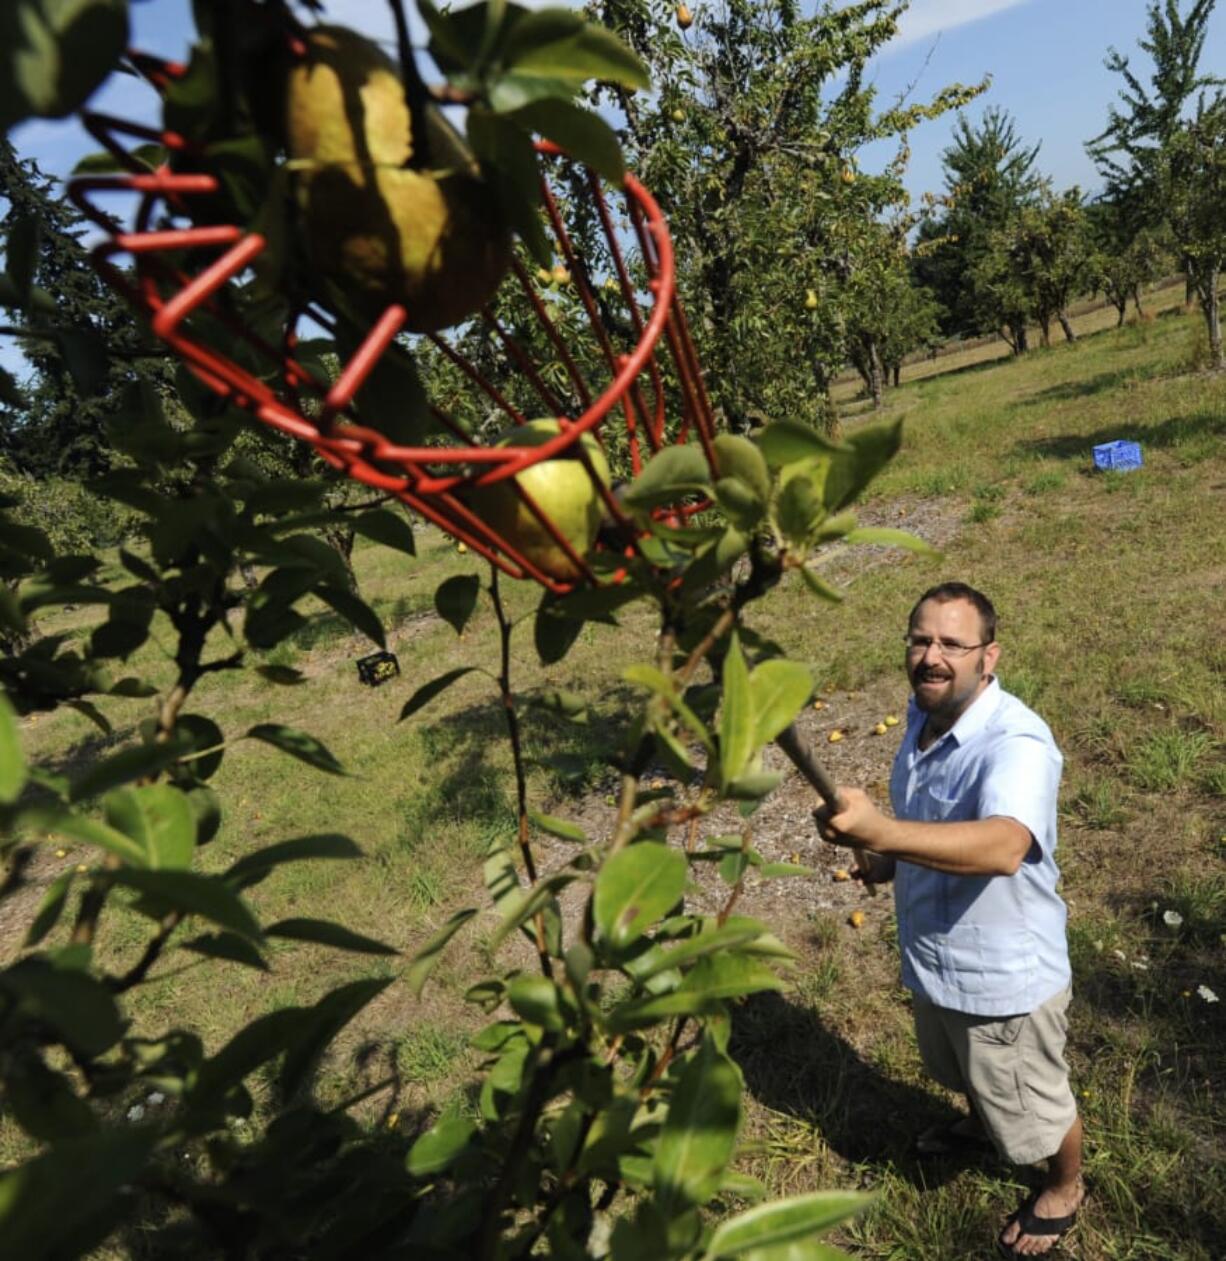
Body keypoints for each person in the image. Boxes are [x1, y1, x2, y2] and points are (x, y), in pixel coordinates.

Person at [818, 582, 1084, 1258]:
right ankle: (980, 1122)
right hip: (937, 960)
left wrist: (883, 827)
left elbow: (1002, 845)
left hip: (1002, 980)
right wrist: (885, 860)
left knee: (1039, 1103)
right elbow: (931, 827)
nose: (931, 656)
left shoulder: (1017, 739)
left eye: (952, 644)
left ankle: (1064, 1186)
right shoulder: (923, 717)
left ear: (988, 657)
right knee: (969, 1072)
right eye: (920, 639)